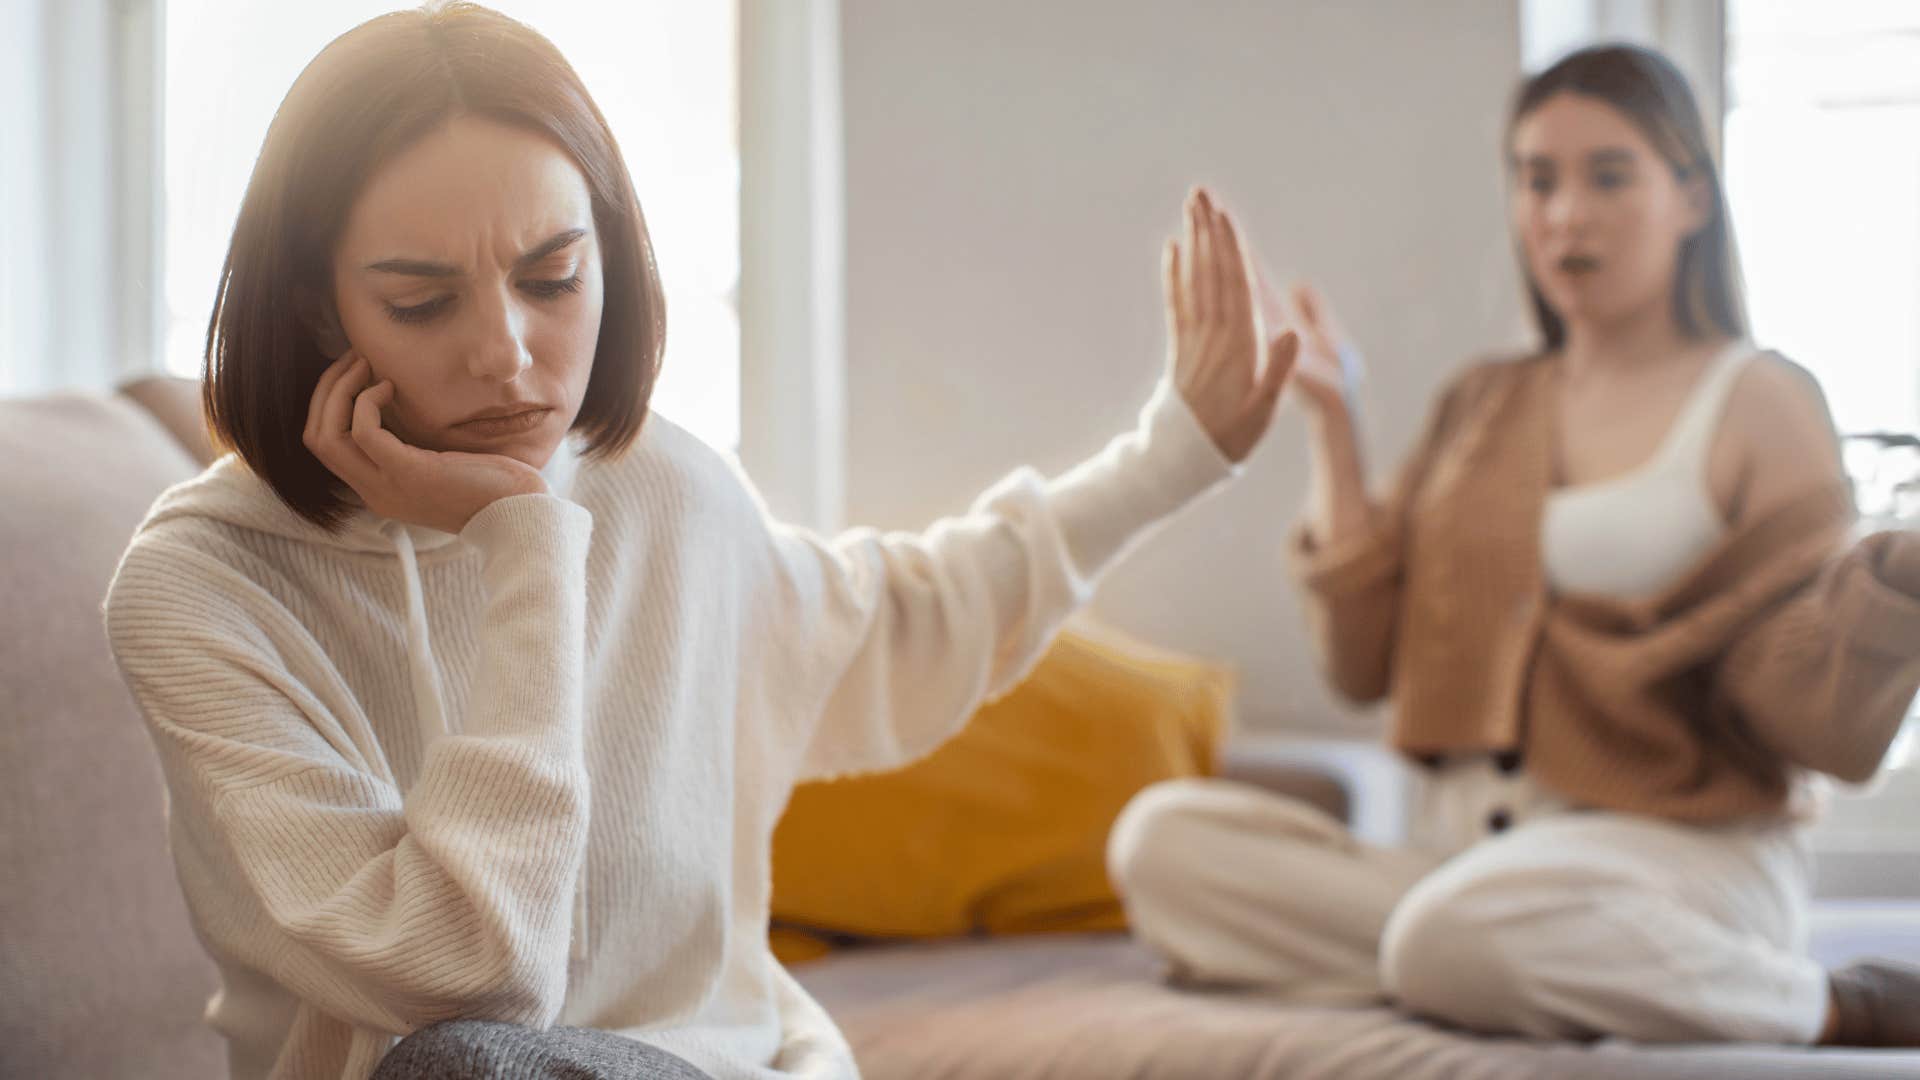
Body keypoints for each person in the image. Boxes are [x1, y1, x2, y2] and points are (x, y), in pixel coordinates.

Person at [103, 4, 1300, 1078]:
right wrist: (526, 549)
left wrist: (1176, 452)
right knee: (462, 1065)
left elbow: (912, 618)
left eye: (554, 278)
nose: (508, 355)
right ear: (319, 305)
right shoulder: (202, 589)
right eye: (422, 301)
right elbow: (469, 976)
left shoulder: (663, 489)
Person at [1108, 43, 1920, 1048]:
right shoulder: (1483, 402)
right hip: (1465, 863)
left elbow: (1811, 709)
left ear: (1695, 198)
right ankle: (1488, 970)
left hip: (1677, 855)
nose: (1564, 212)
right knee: (1161, 843)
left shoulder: (1762, 399)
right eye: (1537, 179)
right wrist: (1334, 423)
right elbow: (1360, 666)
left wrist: (1898, 581)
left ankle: (1837, 1005)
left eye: (1608, 176)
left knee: (1461, 934)